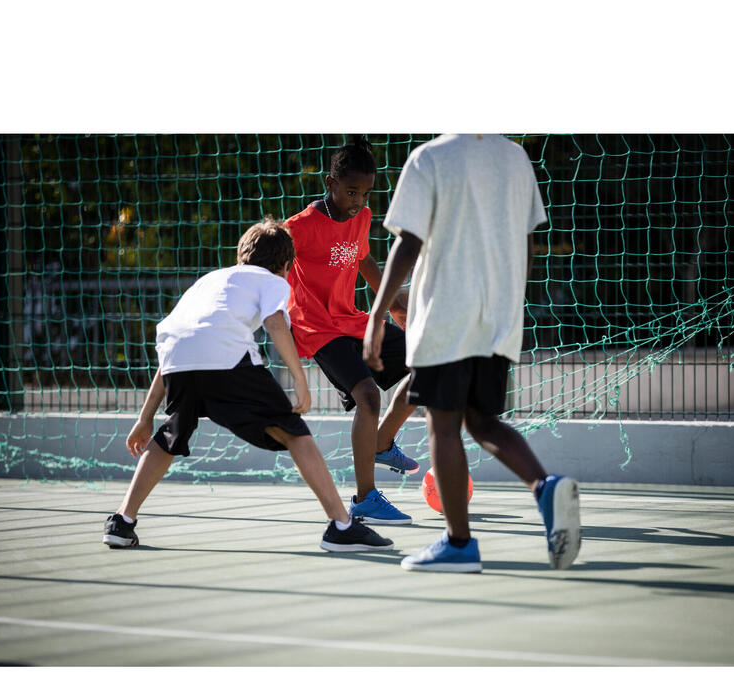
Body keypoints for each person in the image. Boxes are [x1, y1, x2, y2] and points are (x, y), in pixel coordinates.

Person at [103, 217, 393, 554]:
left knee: (170, 434)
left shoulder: (209, 281)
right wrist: (300, 381)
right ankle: (342, 526)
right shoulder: (272, 281)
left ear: (242, 255)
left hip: (178, 361)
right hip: (226, 358)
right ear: (285, 265)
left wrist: (145, 416)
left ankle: (123, 520)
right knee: (295, 433)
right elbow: (274, 323)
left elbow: (176, 350)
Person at [363, 134, 581, 573]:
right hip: (498, 314)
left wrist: (377, 314)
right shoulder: (514, 157)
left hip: (446, 312)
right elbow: (525, 245)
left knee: (442, 426)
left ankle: (459, 545)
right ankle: (545, 485)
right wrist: (507, 303)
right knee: (482, 420)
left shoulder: (430, 158)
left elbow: (408, 244)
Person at [285, 135, 420, 526]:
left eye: (365, 193)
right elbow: (267, 268)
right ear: (330, 184)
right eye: (350, 192)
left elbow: (363, 261)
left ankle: (382, 442)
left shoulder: (360, 218)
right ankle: (365, 498)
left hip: (352, 319)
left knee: (429, 364)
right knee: (368, 396)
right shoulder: (300, 228)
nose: (358, 200)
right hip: (316, 328)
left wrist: (393, 304)